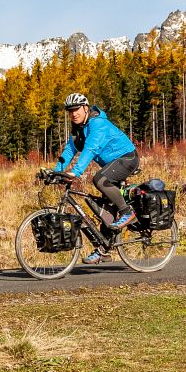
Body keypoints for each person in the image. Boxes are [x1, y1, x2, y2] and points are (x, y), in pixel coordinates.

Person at [53, 92, 139, 264]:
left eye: (76, 109)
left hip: (127, 158)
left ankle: (128, 212)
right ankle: (104, 250)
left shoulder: (97, 124)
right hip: (112, 165)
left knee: (99, 179)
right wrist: (56, 171)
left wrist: (75, 172)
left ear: (85, 108)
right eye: (70, 111)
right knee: (105, 210)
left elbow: (90, 149)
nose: (74, 113)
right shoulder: (79, 130)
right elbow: (69, 151)